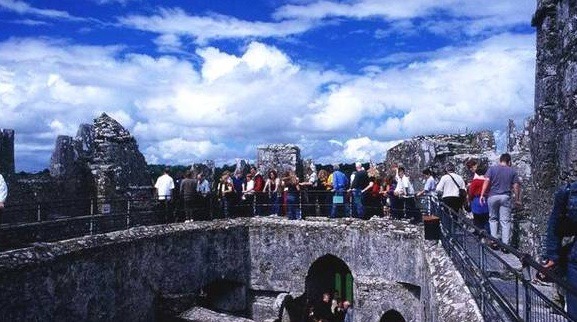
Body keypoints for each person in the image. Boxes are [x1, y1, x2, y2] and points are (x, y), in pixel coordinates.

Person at [542, 180, 577, 319]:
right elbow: (555, 224)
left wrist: (553, 255)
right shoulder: (569, 192)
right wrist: (552, 256)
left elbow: (554, 224)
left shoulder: (569, 192)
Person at [480, 153, 521, 251]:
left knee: (493, 219)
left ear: (500, 160)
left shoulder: (492, 169)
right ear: (509, 161)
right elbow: (516, 186)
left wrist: (482, 194)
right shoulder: (512, 171)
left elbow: (486, 181)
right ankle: (505, 246)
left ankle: (494, 241)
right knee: (505, 221)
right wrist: (517, 199)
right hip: (505, 196)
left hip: (492, 196)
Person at [468, 166, 490, 233]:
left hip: (476, 200)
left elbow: (471, 192)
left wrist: (470, 199)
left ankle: (478, 233)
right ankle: (488, 234)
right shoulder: (488, 181)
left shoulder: (475, 181)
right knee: (486, 219)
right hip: (486, 200)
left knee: (477, 219)